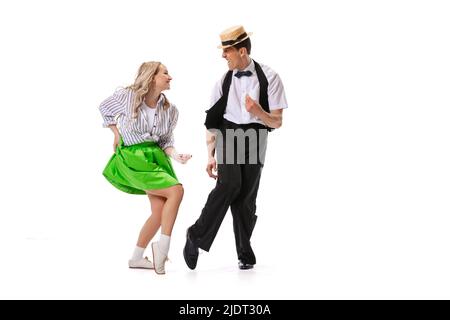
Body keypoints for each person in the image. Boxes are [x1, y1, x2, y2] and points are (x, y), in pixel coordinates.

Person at [183, 26, 288, 270]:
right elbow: (212, 122)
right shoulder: (223, 81)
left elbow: (277, 121)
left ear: (242, 51)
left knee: (246, 198)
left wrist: (258, 112)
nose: (223, 56)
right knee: (230, 184)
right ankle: (195, 235)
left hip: (257, 135)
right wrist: (210, 155)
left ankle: (244, 250)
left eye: (227, 51)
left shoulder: (270, 77)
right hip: (229, 133)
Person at [99, 61, 191, 275]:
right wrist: (116, 133)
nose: (170, 77)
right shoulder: (128, 97)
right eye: (165, 73)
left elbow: (166, 141)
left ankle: (136, 258)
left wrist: (177, 156)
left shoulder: (170, 110)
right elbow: (105, 108)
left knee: (159, 212)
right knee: (176, 190)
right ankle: (163, 248)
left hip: (157, 158)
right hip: (134, 156)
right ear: (151, 77)